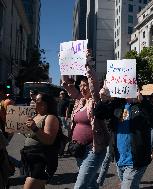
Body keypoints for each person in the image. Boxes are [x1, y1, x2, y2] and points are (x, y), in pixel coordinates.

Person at [62, 53, 109, 189]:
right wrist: (64, 64)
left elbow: (93, 82)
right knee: (91, 184)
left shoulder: (95, 101)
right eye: (81, 86)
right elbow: (67, 86)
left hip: (93, 149)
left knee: (80, 186)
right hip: (78, 149)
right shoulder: (79, 101)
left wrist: (88, 64)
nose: (83, 88)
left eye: (85, 85)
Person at [107, 90, 153, 189]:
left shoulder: (142, 106)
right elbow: (101, 116)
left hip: (135, 160)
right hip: (120, 159)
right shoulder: (117, 105)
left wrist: (144, 102)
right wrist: (104, 100)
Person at [21, 93, 60, 189]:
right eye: (34, 101)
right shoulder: (35, 116)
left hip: (42, 159)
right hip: (30, 157)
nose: (34, 103)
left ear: (46, 104)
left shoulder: (50, 118)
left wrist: (34, 128)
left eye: (37, 101)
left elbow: (49, 140)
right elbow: (31, 135)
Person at [96, 87, 114, 186]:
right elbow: (97, 113)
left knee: (107, 158)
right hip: (103, 133)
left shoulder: (114, 104)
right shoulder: (101, 104)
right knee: (103, 157)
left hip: (113, 133)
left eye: (105, 94)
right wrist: (102, 101)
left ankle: (99, 181)